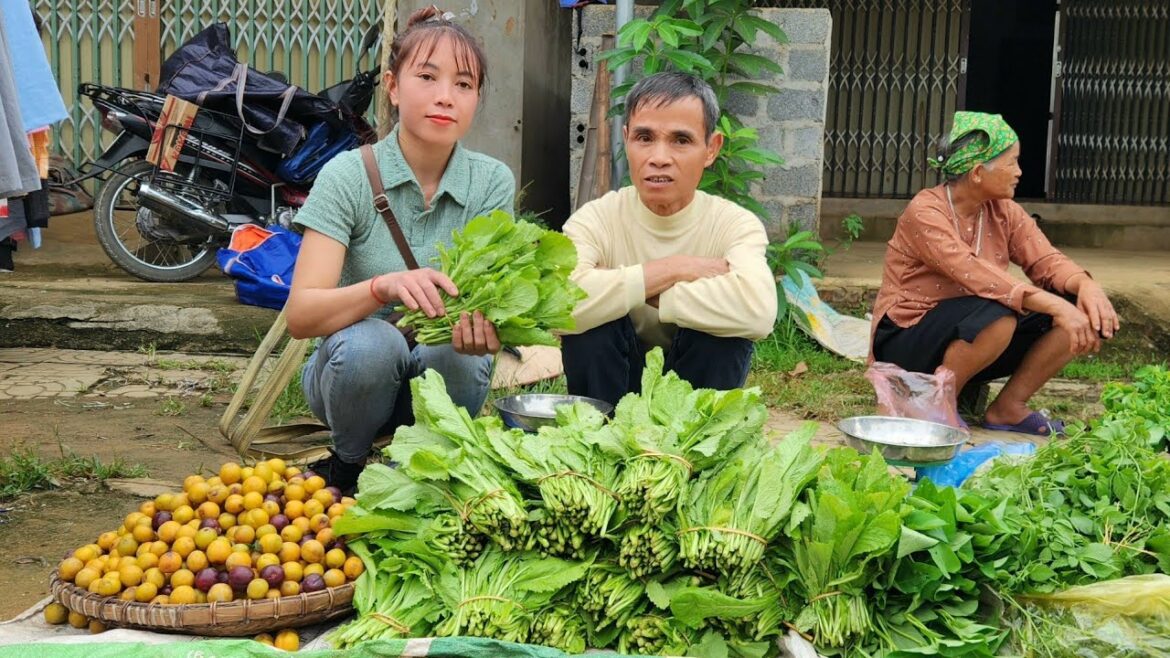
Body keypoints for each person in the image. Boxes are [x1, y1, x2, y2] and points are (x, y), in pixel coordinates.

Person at [285, 6, 514, 493]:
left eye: (464, 85)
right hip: (349, 380)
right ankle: (346, 466)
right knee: (374, 342)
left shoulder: (491, 182)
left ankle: (429, 470)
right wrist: (382, 287)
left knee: (458, 345)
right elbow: (301, 316)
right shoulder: (347, 176)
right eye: (427, 77)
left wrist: (492, 328)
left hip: (439, 380)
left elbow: (491, 300)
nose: (445, 97)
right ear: (392, 86)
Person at [869, 111, 1119, 436]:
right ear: (977, 172)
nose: (1019, 172)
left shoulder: (1004, 211)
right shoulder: (926, 211)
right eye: (1011, 163)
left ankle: (1008, 408)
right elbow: (979, 276)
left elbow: (1046, 261)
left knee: (1079, 305)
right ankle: (935, 406)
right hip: (908, 337)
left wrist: (1086, 286)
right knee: (1000, 312)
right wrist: (1058, 307)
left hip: (972, 332)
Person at [560, 72, 778, 406]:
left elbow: (758, 310)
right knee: (590, 331)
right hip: (613, 389)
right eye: (644, 137)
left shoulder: (733, 224)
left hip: (693, 397)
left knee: (723, 334)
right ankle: (598, 440)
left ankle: (697, 447)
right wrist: (675, 268)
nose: (659, 157)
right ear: (626, 140)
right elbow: (561, 305)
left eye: (681, 140)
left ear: (711, 148)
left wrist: (626, 285)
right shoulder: (596, 219)